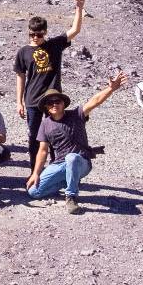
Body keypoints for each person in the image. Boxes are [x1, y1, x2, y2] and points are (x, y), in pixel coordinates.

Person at [26, 73, 128, 213]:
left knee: (72, 157)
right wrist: (36, 173)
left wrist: (110, 88)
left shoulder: (76, 115)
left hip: (81, 162)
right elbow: (43, 151)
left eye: (57, 101)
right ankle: (69, 180)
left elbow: (95, 101)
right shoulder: (45, 124)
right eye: (50, 102)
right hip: (60, 164)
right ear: (46, 107)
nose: (54, 104)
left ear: (63, 103)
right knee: (33, 192)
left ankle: (71, 197)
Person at [15, 0, 85, 166]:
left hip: (53, 100)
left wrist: (79, 7)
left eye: (39, 34)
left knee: (56, 135)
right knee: (34, 138)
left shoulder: (54, 45)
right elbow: (20, 77)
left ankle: (56, 170)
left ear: (45, 32)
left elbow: (75, 30)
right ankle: (34, 170)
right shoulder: (23, 52)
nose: (36, 38)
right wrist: (19, 101)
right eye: (32, 34)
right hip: (32, 101)